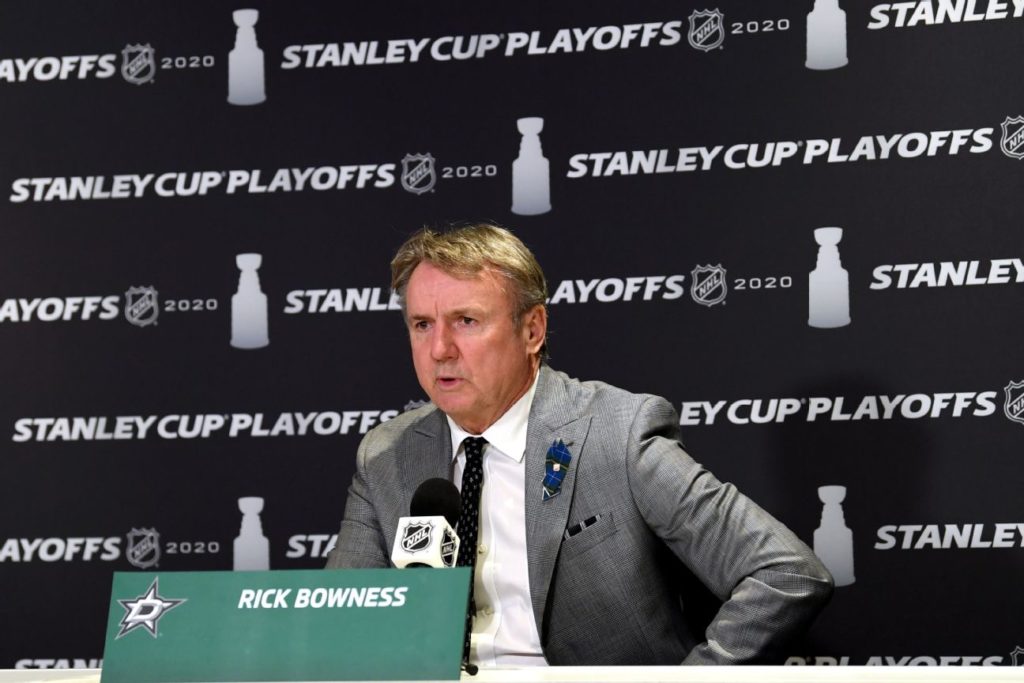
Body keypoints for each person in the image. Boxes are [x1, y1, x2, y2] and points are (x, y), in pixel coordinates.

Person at [326, 223, 833, 666]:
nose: (439, 349)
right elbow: (340, 627)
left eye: (466, 321)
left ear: (532, 330)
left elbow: (785, 574)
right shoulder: (387, 455)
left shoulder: (618, 433)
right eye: (422, 325)